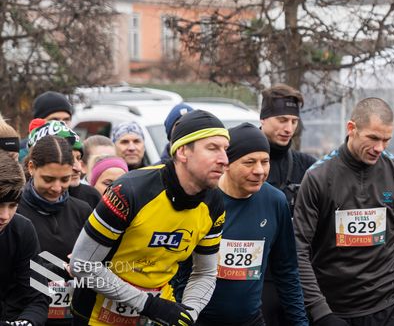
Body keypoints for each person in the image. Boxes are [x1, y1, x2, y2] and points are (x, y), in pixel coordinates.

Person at [69, 110, 229, 326]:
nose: (224, 160)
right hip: (97, 315)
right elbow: (82, 265)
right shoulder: (130, 190)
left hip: (156, 314)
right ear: (182, 151)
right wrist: (149, 305)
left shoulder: (214, 202)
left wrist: (188, 313)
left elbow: (205, 271)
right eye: (212, 149)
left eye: (225, 150)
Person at [293, 98, 394, 326]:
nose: (380, 148)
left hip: (388, 307)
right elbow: (299, 249)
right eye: (373, 138)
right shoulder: (318, 177)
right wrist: (320, 311)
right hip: (334, 310)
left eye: (386, 140)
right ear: (351, 129)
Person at [173, 123, 308, 326]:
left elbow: (287, 271)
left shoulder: (275, 201)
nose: (260, 171)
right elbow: (179, 271)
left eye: (265, 161)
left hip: (251, 320)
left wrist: (300, 323)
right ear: (226, 163)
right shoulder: (202, 201)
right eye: (249, 162)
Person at [18, 132, 94, 325]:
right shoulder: (13, 212)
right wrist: (60, 268)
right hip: (27, 314)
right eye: (49, 179)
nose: (57, 188)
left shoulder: (82, 209)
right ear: (31, 167)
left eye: (65, 179)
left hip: (74, 316)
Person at [256, 85, 316, 326]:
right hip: (255, 281)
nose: (288, 128)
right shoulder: (241, 162)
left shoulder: (308, 166)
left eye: (293, 121)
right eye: (282, 120)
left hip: (297, 276)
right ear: (263, 118)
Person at [1, 152, 51, 326]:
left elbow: (38, 296)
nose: (5, 216)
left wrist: (26, 322)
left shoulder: (22, 228)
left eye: (12, 206)